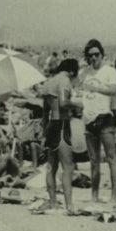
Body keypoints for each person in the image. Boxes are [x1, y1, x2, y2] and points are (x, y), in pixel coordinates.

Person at [79, 39, 116, 203]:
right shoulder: (85, 73)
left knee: (111, 158)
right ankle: (94, 195)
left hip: (104, 117)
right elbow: (79, 91)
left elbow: (113, 90)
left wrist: (95, 89)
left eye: (97, 54)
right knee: (94, 161)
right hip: (89, 118)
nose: (94, 58)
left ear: (102, 54)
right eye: (90, 55)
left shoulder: (109, 71)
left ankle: (114, 196)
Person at [39, 58, 82, 214]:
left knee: (51, 167)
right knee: (68, 167)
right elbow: (64, 103)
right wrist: (78, 104)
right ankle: (69, 205)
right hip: (62, 124)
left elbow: (44, 111)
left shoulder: (48, 83)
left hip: (51, 125)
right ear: (72, 71)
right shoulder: (64, 80)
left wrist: (44, 133)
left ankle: (52, 203)